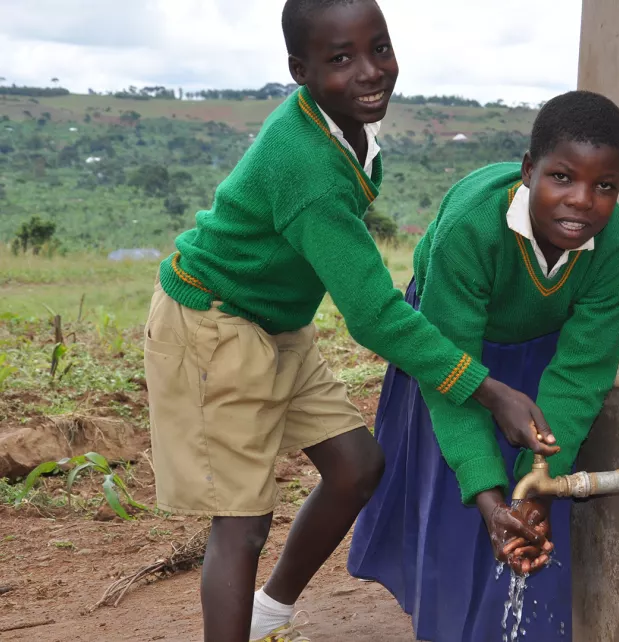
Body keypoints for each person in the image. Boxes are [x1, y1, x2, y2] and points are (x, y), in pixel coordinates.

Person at [142, 1, 557, 640]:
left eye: (380, 49)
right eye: (341, 59)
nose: (370, 72)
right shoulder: (306, 164)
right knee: (241, 522)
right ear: (299, 70)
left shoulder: (344, 128)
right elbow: (372, 315)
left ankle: (268, 613)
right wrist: (491, 388)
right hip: (212, 326)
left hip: (276, 325)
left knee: (357, 464)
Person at [347, 90, 619, 642]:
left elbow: (579, 376)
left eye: (604, 186)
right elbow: (447, 370)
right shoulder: (474, 227)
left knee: (526, 514)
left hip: (541, 350)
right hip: (449, 345)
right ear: (529, 170)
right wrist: (488, 499)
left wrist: (538, 485)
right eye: (562, 177)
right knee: (457, 502)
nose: (582, 200)